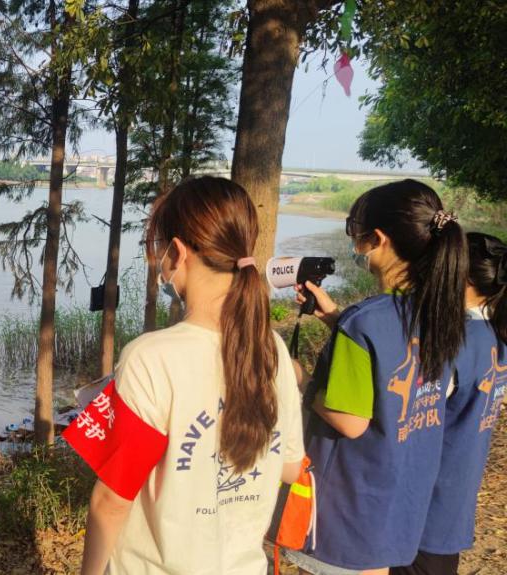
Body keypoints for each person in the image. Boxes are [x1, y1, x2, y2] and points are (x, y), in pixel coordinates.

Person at [67, 177, 304, 574]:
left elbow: (111, 502)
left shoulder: (151, 358)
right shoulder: (273, 349)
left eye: (158, 248)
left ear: (177, 252)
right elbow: (290, 467)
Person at [289, 180, 468, 574]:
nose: (356, 246)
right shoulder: (439, 314)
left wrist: (301, 380)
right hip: (400, 509)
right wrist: (336, 318)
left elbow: (350, 421)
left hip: (348, 515)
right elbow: (395, 361)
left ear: (379, 239)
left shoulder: (364, 324)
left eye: (356, 235)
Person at [393, 233, 507, 575]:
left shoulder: (451, 343)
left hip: (421, 508)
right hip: (453, 506)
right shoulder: (494, 336)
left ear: (463, 276)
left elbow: (408, 410)